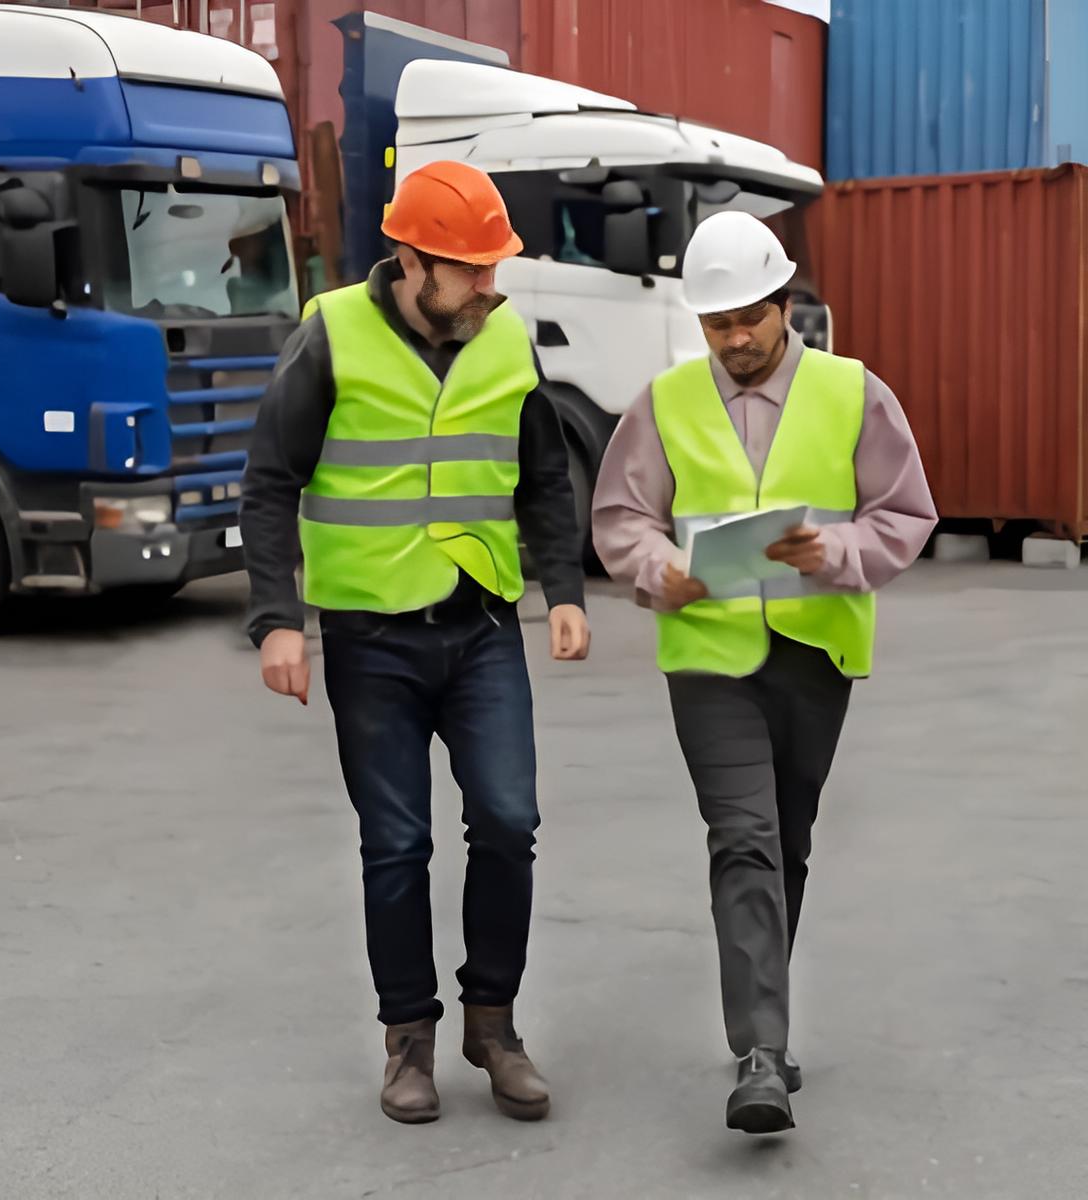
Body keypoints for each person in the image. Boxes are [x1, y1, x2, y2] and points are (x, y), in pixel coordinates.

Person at [241, 161, 591, 1125]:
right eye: (471, 271)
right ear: (411, 259)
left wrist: (565, 589)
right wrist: (278, 618)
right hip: (373, 637)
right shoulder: (333, 332)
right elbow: (270, 479)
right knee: (396, 844)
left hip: (481, 626)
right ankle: (409, 1041)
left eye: (494, 268)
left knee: (510, 822)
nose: (489, 287)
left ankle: (494, 1023)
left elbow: (544, 476)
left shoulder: (507, 334)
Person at [592, 211, 936, 1134]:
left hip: (815, 654)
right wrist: (663, 569)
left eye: (750, 317)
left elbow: (905, 515)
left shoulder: (854, 394)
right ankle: (758, 1056)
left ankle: (767, 1027)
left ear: (785, 305)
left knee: (785, 841)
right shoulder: (661, 405)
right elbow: (623, 516)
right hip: (708, 658)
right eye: (717, 324)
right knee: (741, 838)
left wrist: (833, 550)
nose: (735, 338)